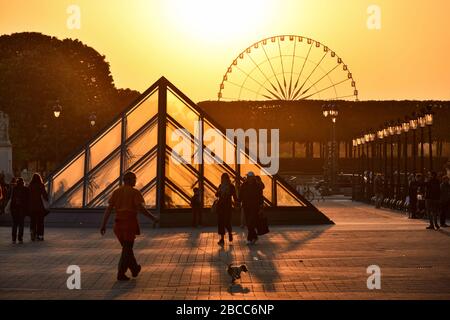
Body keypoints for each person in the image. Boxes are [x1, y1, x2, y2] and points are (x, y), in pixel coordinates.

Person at [100, 171, 159, 281]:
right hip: (129, 224)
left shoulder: (116, 192)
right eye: (134, 179)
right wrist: (153, 218)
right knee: (127, 249)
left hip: (117, 225)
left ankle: (134, 268)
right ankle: (121, 273)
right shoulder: (134, 192)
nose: (135, 180)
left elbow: (108, 209)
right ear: (128, 180)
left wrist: (103, 224)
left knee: (127, 249)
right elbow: (141, 209)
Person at [239, 172, 264, 245]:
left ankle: (249, 239)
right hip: (246, 206)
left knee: (251, 222)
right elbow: (241, 194)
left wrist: (261, 207)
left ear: (252, 178)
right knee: (249, 223)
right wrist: (239, 201)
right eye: (248, 177)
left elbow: (260, 197)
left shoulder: (256, 186)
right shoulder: (244, 185)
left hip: (254, 207)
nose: (249, 178)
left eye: (250, 177)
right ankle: (255, 237)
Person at [215, 173, 237, 246]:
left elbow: (234, 196)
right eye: (222, 178)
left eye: (224, 178)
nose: (223, 179)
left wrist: (237, 202)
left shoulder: (231, 186)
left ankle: (230, 233)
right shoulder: (221, 186)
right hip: (221, 206)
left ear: (227, 179)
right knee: (221, 222)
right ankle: (222, 239)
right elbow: (217, 195)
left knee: (227, 221)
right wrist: (219, 192)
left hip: (228, 207)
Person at [28, 173, 49, 241]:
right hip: (39, 207)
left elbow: (27, 196)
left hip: (32, 207)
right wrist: (47, 199)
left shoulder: (30, 186)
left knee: (33, 221)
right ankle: (40, 235)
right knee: (40, 222)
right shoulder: (41, 185)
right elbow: (45, 195)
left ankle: (32, 233)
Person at [10, 178, 30, 244]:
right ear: (23, 182)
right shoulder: (26, 189)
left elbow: (12, 199)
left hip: (15, 208)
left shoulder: (14, 189)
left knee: (15, 224)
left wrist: (11, 209)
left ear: (17, 182)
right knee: (21, 224)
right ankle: (20, 238)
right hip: (22, 209)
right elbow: (27, 200)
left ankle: (13, 238)